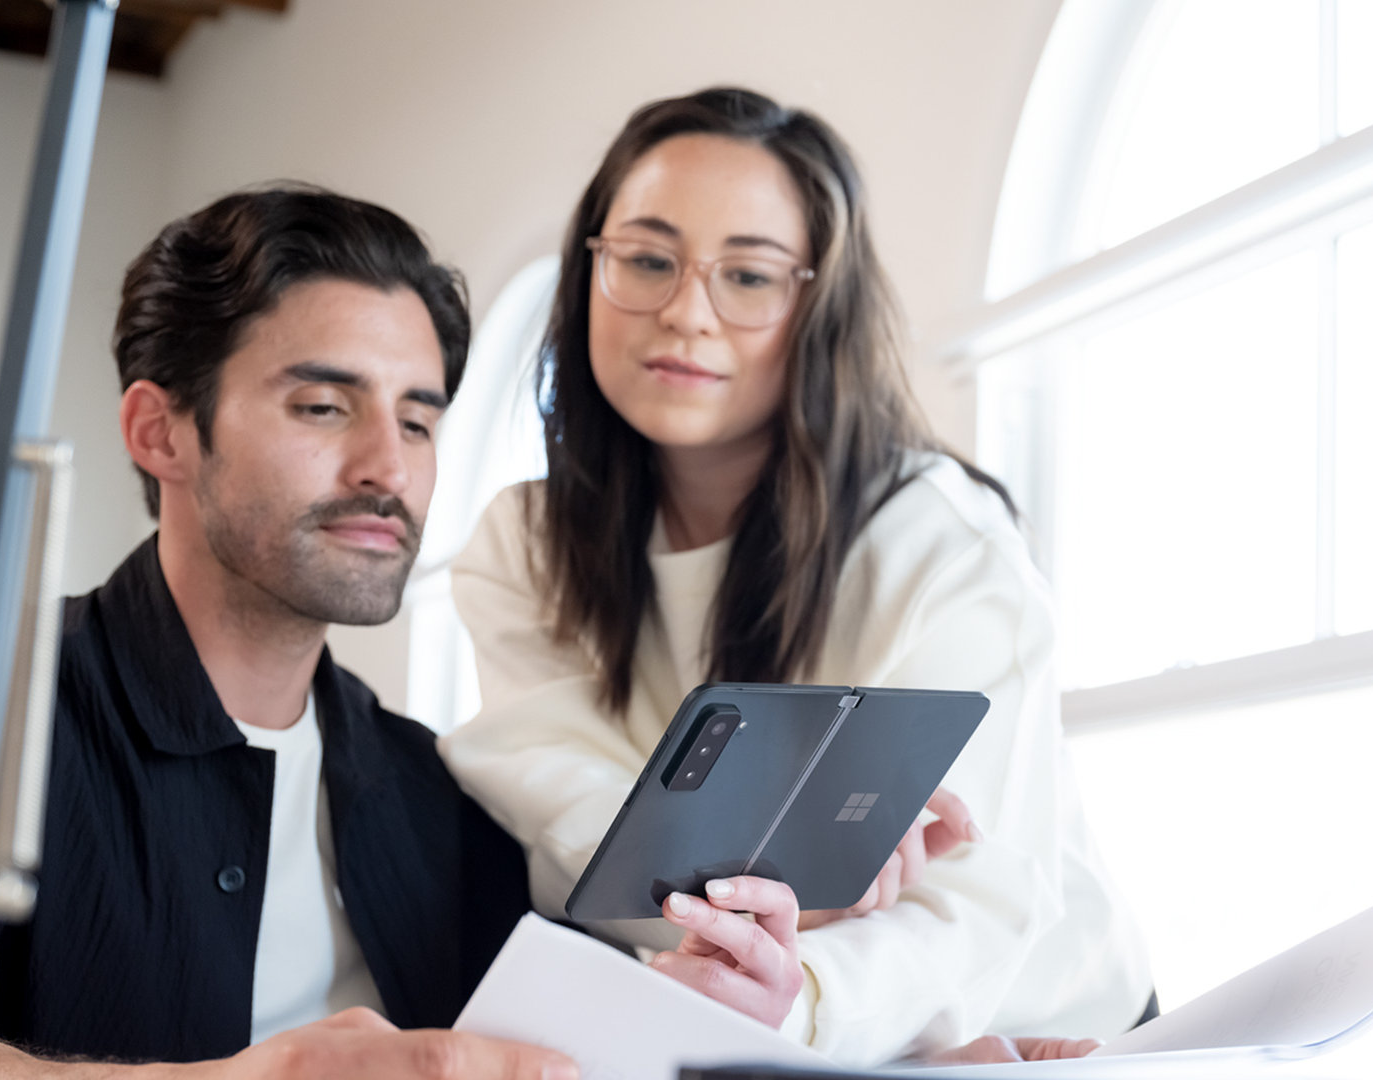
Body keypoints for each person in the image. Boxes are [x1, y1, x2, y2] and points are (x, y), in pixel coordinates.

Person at [438, 87, 1155, 1068]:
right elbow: (578, 828)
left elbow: (978, 895)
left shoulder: (935, 540)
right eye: (647, 261)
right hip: (743, 1021)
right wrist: (790, 894)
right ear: (587, 274)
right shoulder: (523, 544)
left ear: (820, 304)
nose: (688, 313)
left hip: (1043, 1032)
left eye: (749, 275)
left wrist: (794, 984)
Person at [0, 186, 593, 1079]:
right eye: (324, 406)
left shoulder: (445, 798)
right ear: (159, 432)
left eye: (417, 421)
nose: (389, 467)